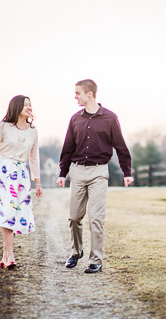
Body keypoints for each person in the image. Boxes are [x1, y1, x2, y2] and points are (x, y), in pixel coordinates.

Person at [57, 79, 133, 274]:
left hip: (99, 171)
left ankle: (96, 260)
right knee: (74, 217)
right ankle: (76, 252)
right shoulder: (75, 119)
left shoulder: (110, 118)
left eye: (78, 93)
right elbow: (68, 148)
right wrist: (62, 173)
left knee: (96, 218)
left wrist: (127, 172)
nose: (75, 97)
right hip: (77, 171)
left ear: (89, 94)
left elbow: (121, 146)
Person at [0, 95, 43, 268]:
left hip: (21, 174)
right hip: (1, 172)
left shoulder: (33, 131)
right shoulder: (4, 127)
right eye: (25, 104)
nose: (29, 107)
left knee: (15, 214)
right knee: (6, 211)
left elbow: (34, 158)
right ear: (16, 107)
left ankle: (7, 253)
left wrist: (38, 182)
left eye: (30, 104)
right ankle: (9, 254)